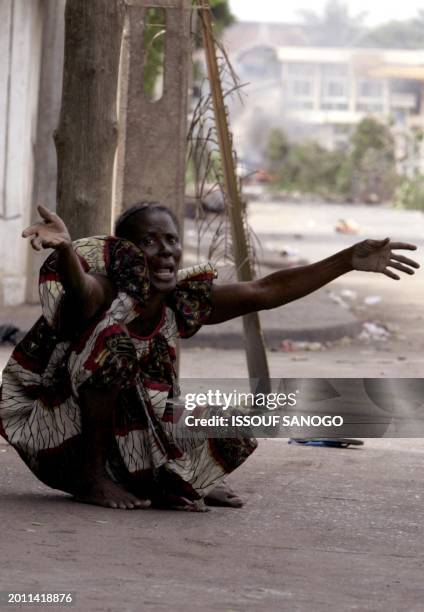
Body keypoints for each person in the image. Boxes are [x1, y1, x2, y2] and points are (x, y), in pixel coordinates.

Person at [0, 203, 419, 511]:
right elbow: (81, 290)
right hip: (60, 433)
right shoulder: (108, 290)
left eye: (171, 240)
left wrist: (346, 260)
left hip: (128, 436)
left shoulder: (179, 298)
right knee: (114, 345)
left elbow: (266, 291)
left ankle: (180, 478)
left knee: (236, 421)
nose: (165, 251)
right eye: (148, 241)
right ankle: (92, 480)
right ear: (125, 251)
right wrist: (67, 251)